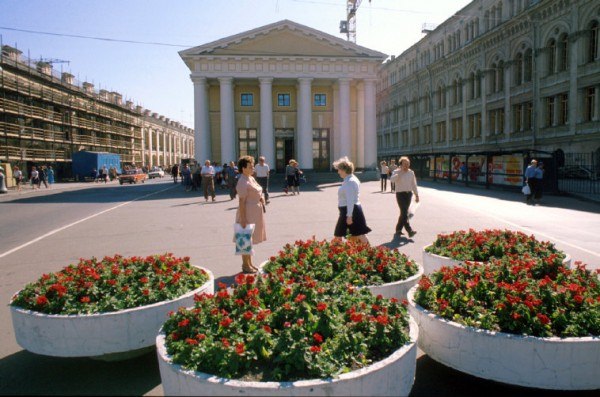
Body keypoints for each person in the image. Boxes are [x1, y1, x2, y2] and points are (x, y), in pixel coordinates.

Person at [235, 155, 266, 274]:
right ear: (243, 168)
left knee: (250, 239)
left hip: (255, 213)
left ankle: (249, 263)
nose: (253, 168)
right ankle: (245, 265)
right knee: (245, 239)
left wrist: (261, 198)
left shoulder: (250, 178)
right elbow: (241, 202)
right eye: (250, 166)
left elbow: (258, 190)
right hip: (247, 213)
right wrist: (243, 219)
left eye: (253, 165)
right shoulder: (242, 181)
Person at [333, 156, 371, 244]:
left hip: (350, 211)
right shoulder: (349, 179)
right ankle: (369, 253)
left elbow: (350, 200)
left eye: (339, 170)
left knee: (340, 234)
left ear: (344, 170)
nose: (338, 172)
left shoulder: (350, 181)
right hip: (349, 210)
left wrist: (349, 216)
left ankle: (370, 254)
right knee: (357, 234)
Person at [390, 156, 419, 238]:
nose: (406, 166)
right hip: (400, 194)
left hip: (409, 194)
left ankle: (398, 229)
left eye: (408, 164)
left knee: (403, 213)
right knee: (404, 212)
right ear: (401, 165)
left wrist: (417, 195)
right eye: (405, 164)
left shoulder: (411, 172)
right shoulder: (396, 171)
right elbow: (392, 180)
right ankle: (409, 231)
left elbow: (414, 184)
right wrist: (398, 174)